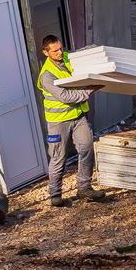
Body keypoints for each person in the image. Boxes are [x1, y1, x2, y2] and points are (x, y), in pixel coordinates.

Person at [36, 35, 106, 208]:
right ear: (46, 52)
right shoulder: (47, 75)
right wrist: (89, 91)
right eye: (55, 50)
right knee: (58, 157)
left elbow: (78, 56)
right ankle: (55, 195)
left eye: (61, 48)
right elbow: (66, 97)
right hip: (58, 121)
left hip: (77, 116)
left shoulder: (65, 57)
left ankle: (84, 187)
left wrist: (95, 50)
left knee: (87, 148)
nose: (60, 52)